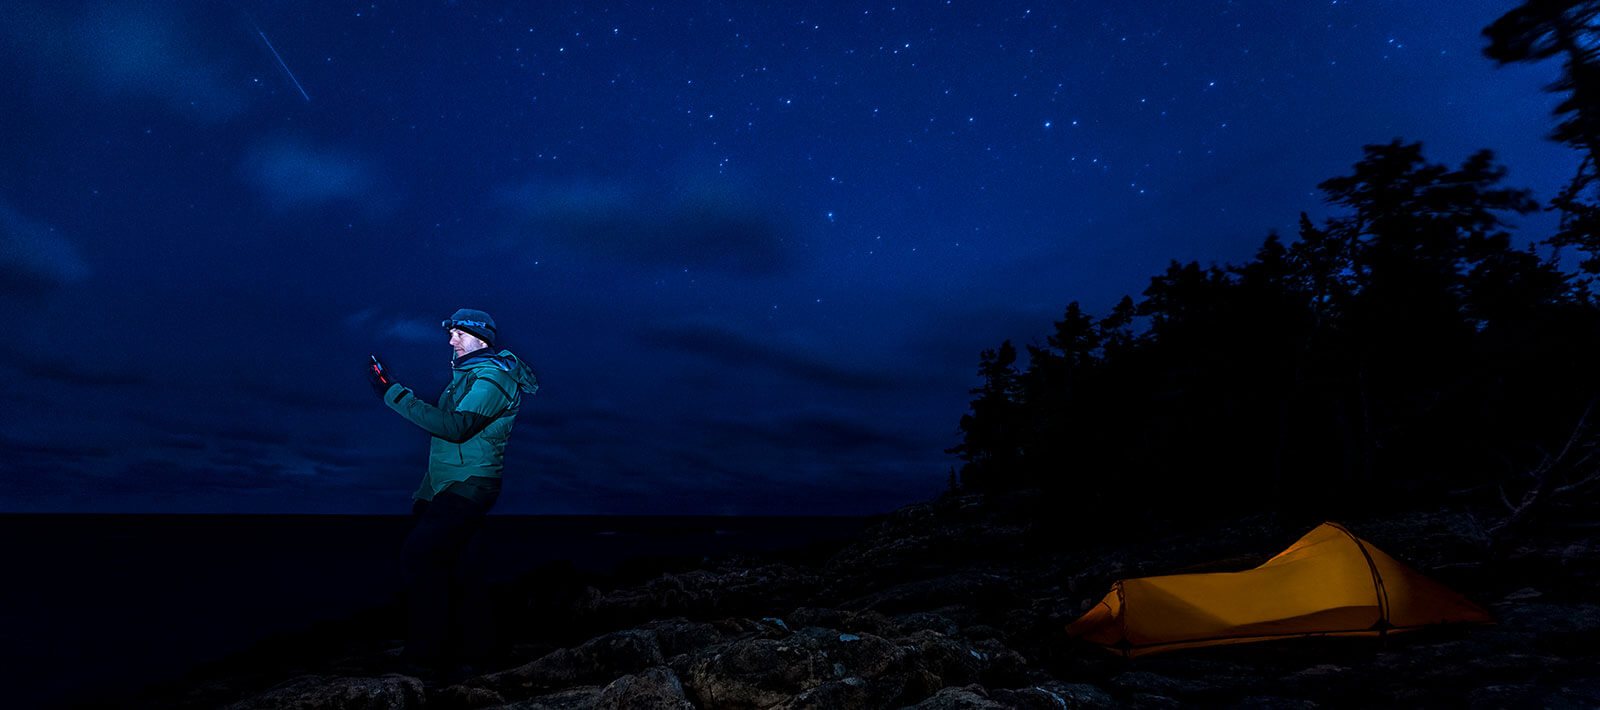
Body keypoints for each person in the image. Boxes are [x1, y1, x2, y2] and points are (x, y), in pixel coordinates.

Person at [366, 308, 538, 677]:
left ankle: (427, 657)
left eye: (459, 333)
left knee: (419, 557)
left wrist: (391, 392)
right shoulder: (467, 376)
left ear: (481, 339)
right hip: (446, 486)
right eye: (451, 333)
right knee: (462, 569)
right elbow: (446, 445)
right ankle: (478, 653)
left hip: (471, 484)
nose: (451, 340)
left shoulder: (492, 378)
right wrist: (424, 493)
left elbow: (455, 428)